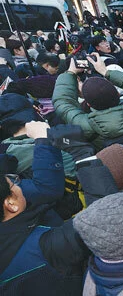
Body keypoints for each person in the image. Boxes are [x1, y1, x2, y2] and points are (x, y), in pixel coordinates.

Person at [0, 122, 90, 295]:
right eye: (14, 182)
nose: (20, 184)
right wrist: (84, 156)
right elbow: (107, 217)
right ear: (11, 204)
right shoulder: (48, 245)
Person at [52, 55, 123, 151]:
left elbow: (62, 102)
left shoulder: (86, 125)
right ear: (117, 94)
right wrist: (106, 71)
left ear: (88, 104)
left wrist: (71, 72)